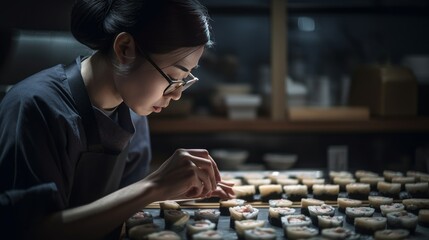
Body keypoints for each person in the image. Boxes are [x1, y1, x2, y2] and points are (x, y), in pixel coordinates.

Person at [0, 0, 234, 239]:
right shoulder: (34, 107)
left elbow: (121, 204)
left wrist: (170, 189)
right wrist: (153, 186)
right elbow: (32, 231)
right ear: (125, 48)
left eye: (186, 79)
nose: (176, 94)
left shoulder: (133, 111)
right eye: (174, 76)